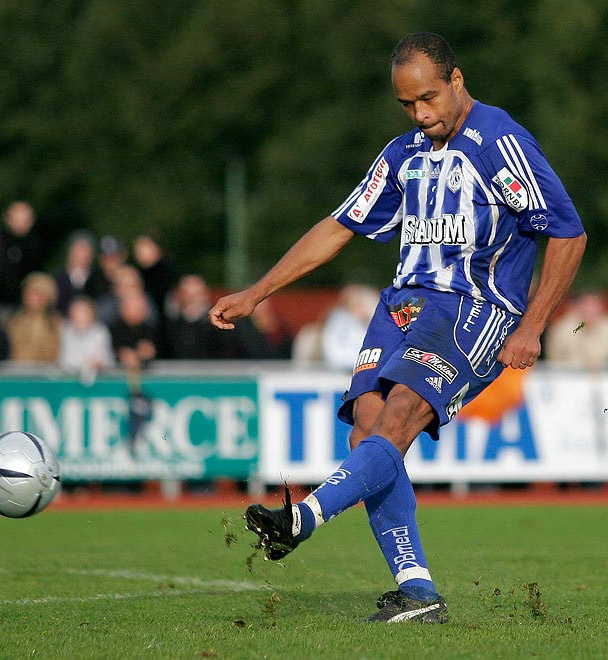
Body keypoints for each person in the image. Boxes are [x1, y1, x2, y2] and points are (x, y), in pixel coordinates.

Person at [209, 32, 586, 624]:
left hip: (473, 309)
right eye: (408, 104)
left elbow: (568, 231)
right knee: (366, 432)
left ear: (457, 81)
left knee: (403, 412)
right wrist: (258, 291)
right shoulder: (403, 154)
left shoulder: (499, 141)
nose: (421, 114)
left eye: (429, 99)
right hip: (402, 306)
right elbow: (338, 226)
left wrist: (533, 324)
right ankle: (417, 593)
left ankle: (300, 519)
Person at [544, 291, 608, 369]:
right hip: (566, 374)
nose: (591, 309)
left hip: (604, 375)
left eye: (594, 305)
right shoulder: (563, 326)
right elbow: (555, 355)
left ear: (601, 306)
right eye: (587, 305)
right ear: (578, 305)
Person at [320, 284, 380, 370]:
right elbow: (333, 354)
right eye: (358, 304)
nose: (362, 309)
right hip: (342, 372)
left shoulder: (377, 324)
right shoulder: (338, 320)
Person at [6, 272, 61, 364]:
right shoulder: (14, 320)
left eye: (39, 294)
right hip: (17, 371)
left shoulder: (56, 322)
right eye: (31, 293)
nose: (34, 298)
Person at [0, 201, 46, 308]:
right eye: (17, 220)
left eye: (25, 221)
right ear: (8, 220)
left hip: (27, 304)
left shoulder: (36, 245)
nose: (20, 225)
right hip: (2, 302)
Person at [58, 295, 115, 379]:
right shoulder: (64, 330)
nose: (80, 316)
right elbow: (63, 362)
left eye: (84, 312)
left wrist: (99, 365)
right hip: (65, 380)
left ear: (92, 314)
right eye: (76, 312)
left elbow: (108, 363)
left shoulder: (100, 332)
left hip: (97, 382)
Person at [54, 230, 109, 315]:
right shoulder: (56, 278)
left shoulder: (100, 280)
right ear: (70, 251)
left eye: (86, 249)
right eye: (79, 248)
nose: (82, 254)